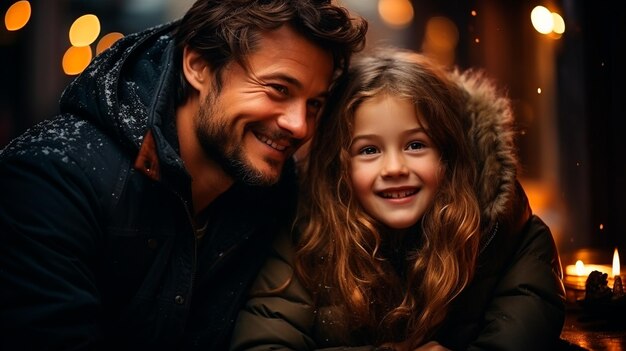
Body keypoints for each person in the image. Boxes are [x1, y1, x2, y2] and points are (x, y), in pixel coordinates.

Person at [0, 1, 367, 349]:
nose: (299, 125)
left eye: (314, 104)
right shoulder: (50, 181)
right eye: (278, 89)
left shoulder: (276, 198)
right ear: (198, 66)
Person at [229, 48, 566, 351]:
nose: (394, 168)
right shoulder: (303, 238)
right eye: (369, 150)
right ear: (339, 166)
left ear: (449, 154)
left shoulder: (506, 233)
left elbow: (522, 332)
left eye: (415, 145)